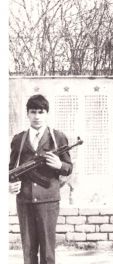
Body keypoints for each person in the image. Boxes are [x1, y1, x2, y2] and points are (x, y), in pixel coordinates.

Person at [9, 94, 73, 264]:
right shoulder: (18, 140)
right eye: (33, 112)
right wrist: (10, 184)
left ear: (47, 114)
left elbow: (69, 167)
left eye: (41, 112)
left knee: (47, 250)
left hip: (48, 200)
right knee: (28, 249)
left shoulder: (58, 138)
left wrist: (60, 165)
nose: (37, 116)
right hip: (25, 199)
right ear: (27, 114)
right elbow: (11, 169)